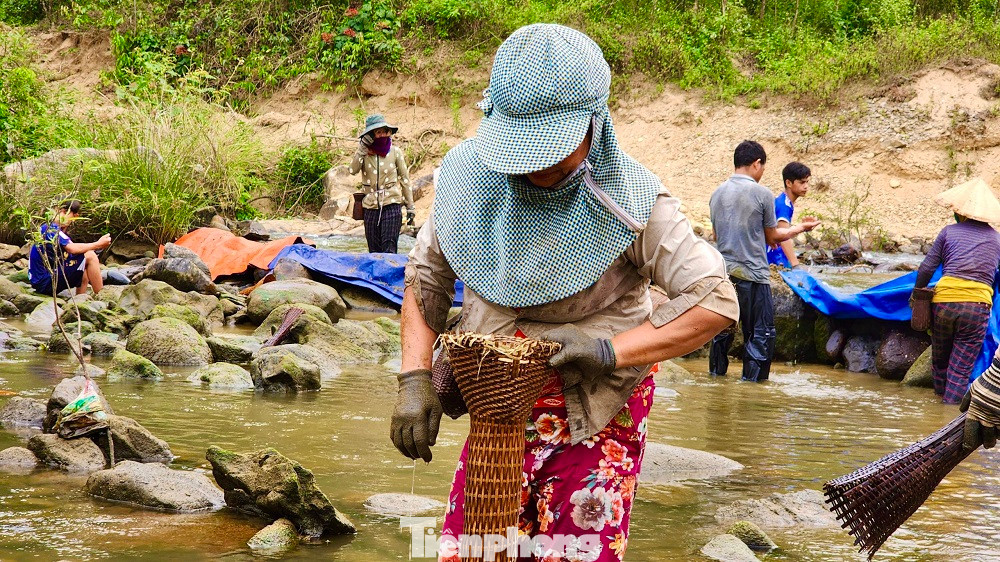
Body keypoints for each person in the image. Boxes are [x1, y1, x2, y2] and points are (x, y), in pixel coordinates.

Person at [391, 24, 738, 562]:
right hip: (495, 405)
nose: (537, 163)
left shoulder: (635, 199)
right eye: (524, 149)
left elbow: (715, 301)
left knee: (571, 551)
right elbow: (427, 280)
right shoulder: (465, 178)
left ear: (597, 126)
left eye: (553, 148)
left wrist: (608, 352)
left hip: (593, 410)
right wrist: (414, 380)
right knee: (478, 550)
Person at [708, 141, 820, 381]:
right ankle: (753, 389)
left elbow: (716, 235)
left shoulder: (717, 193)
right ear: (756, 163)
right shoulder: (762, 194)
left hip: (723, 275)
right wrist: (801, 227)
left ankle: (715, 378)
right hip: (753, 275)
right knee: (760, 334)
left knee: (722, 332)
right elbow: (773, 236)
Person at [914, 178, 1000, 404]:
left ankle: (935, 409)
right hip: (977, 307)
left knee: (940, 360)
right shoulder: (997, 239)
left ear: (960, 212)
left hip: (944, 304)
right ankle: (946, 416)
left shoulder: (948, 232)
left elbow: (927, 268)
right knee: (960, 370)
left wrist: (916, 294)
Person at [349, 114, 414, 254]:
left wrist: (410, 207)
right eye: (378, 132)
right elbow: (352, 170)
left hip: (392, 204)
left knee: (389, 248)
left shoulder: (395, 152)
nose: (383, 134)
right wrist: (361, 149)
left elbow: (405, 179)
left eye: (385, 131)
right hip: (370, 206)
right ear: (371, 135)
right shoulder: (364, 154)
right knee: (374, 251)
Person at [28, 199, 111, 296]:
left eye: (65, 212)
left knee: (83, 261)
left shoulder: (58, 232)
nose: (61, 214)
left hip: (44, 279)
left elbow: (75, 252)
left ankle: (80, 299)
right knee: (90, 256)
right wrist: (98, 244)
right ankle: (102, 296)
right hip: (44, 281)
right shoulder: (49, 229)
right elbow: (72, 249)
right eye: (60, 211)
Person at [766, 161, 813, 269]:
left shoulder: (783, 201)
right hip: (774, 259)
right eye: (802, 182)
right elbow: (783, 237)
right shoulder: (784, 205)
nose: (806, 186)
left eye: (807, 182)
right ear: (788, 183)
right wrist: (795, 264)